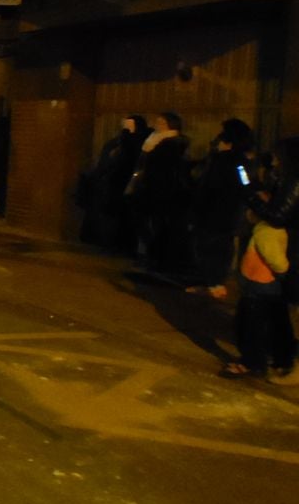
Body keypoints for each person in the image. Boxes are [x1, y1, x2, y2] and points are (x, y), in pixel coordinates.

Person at [244, 136, 299, 384]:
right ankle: (284, 357)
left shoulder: (295, 180)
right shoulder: (285, 179)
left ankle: (292, 366)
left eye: (277, 155)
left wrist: (253, 200)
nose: (274, 160)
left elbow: (278, 216)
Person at [218, 207, 294, 380]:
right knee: (273, 322)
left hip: (259, 287)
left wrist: (280, 273)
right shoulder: (267, 229)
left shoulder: (265, 231)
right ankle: (278, 359)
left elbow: (279, 262)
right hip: (263, 286)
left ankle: (251, 362)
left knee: (250, 326)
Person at [187, 118, 254, 299]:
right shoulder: (240, 163)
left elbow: (206, 188)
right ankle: (214, 283)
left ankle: (213, 283)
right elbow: (246, 185)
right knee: (220, 248)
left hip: (214, 212)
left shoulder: (222, 161)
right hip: (227, 213)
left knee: (208, 247)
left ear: (227, 143)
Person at [127, 112, 191, 274]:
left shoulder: (171, 144)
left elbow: (163, 169)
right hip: (146, 188)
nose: (158, 124)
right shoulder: (152, 139)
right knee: (145, 222)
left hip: (159, 191)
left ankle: (152, 257)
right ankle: (146, 255)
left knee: (154, 224)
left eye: (162, 122)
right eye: (158, 121)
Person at [78, 115, 148, 253]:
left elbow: (129, 160)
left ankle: (121, 245)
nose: (126, 128)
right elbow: (105, 161)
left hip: (124, 185)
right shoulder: (116, 142)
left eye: (130, 125)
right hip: (110, 185)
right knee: (109, 217)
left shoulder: (138, 142)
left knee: (121, 218)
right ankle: (108, 242)